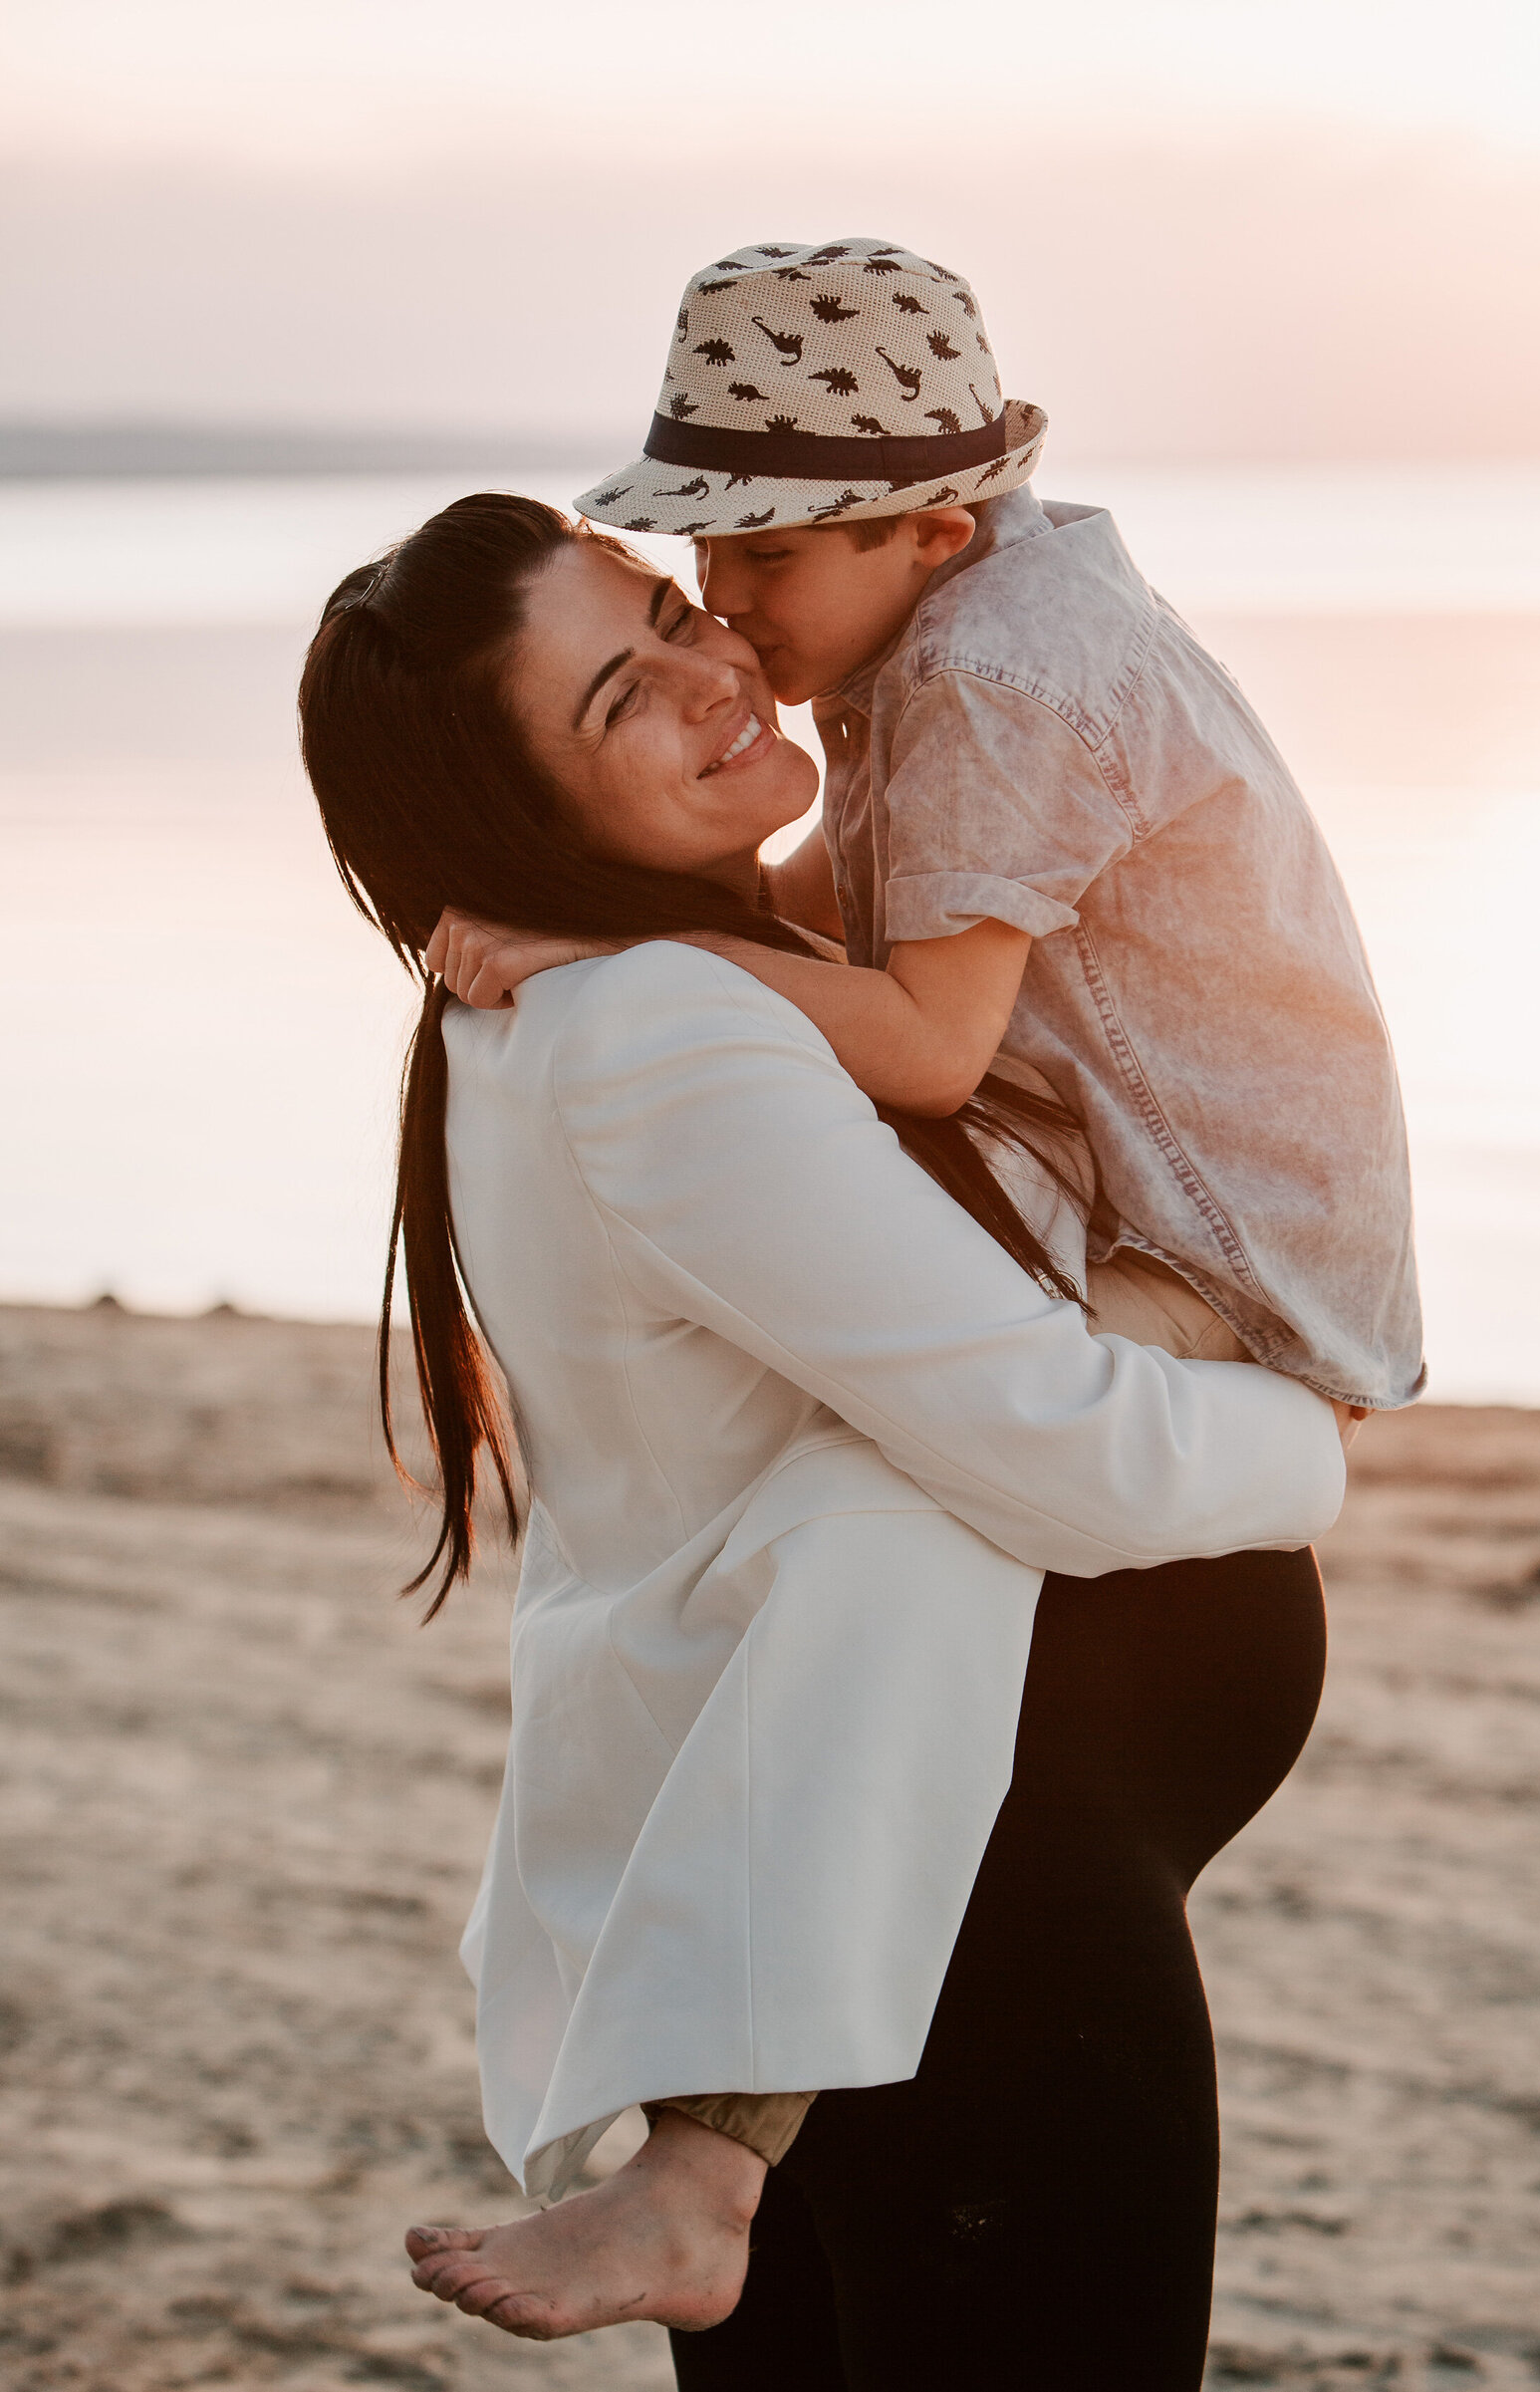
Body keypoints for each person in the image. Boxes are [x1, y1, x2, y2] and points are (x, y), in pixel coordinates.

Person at [299, 491, 1355, 2389]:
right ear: (519, 815)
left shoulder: (595, 999)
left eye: (667, 604)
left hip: (869, 1867)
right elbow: (1062, 1454)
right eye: (626, 693)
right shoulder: (668, 1035)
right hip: (967, 1898)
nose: (717, 663)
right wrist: (1309, 1427)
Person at [438, 234, 1421, 1414]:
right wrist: (576, 899)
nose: (724, 598)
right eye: (703, 547)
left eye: (768, 553)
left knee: (797, 1398)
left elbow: (929, 1050)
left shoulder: (990, 680)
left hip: (1231, 1265)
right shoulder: (957, 604)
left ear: (934, 531)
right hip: (1250, 1225)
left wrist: (624, 953)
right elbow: (842, 886)